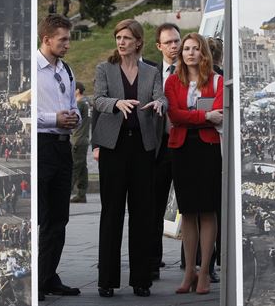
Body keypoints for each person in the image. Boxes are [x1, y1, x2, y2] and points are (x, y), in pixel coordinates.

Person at [92, 19, 167, 298]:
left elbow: (162, 98)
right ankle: (107, 280)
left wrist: (160, 103)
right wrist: (116, 103)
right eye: (117, 38)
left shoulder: (151, 71)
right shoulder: (105, 68)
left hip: (143, 147)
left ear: (138, 42)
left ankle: (141, 279)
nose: (121, 42)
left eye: (126, 38)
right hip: (113, 147)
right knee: (111, 213)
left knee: (142, 215)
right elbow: (97, 99)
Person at [166, 33, 223, 295]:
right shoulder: (172, 82)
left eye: (195, 48)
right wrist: (203, 115)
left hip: (207, 148)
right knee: (188, 211)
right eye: (186, 48)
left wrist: (194, 117)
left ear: (203, 53)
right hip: (181, 148)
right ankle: (189, 271)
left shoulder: (216, 80)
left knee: (208, 210)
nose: (189, 52)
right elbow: (174, 114)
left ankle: (204, 272)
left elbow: (219, 115)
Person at [36, 14, 81, 300]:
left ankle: (48, 275)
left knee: (59, 217)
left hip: (63, 147)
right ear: (46, 39)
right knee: (41, 215)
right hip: (41, 145)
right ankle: (38, 279)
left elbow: (72, 103)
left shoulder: (66, 70)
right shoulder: (33, 69)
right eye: (62, 39)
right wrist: (55, 118)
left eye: (68, 38)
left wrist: (73, 117)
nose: (67, 44)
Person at [150, 23, 181, 281]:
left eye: (176, 41)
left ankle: (193, 261)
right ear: (159, 46)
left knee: (192, 205)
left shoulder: (192, 70)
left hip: (187, 146)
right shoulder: (150, 71)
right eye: (169, 42)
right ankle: (153, 259)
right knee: (155, 204)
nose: (174, 46)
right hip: (160, 147)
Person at [70, 82, 90, 203]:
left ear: (77, 91)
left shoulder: (79, 103)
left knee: (74, 167)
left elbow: (72, 119)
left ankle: (67, 191)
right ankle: (81, 194)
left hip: (77, 138)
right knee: (82, 167)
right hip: (84, 138)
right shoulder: (87, 103)